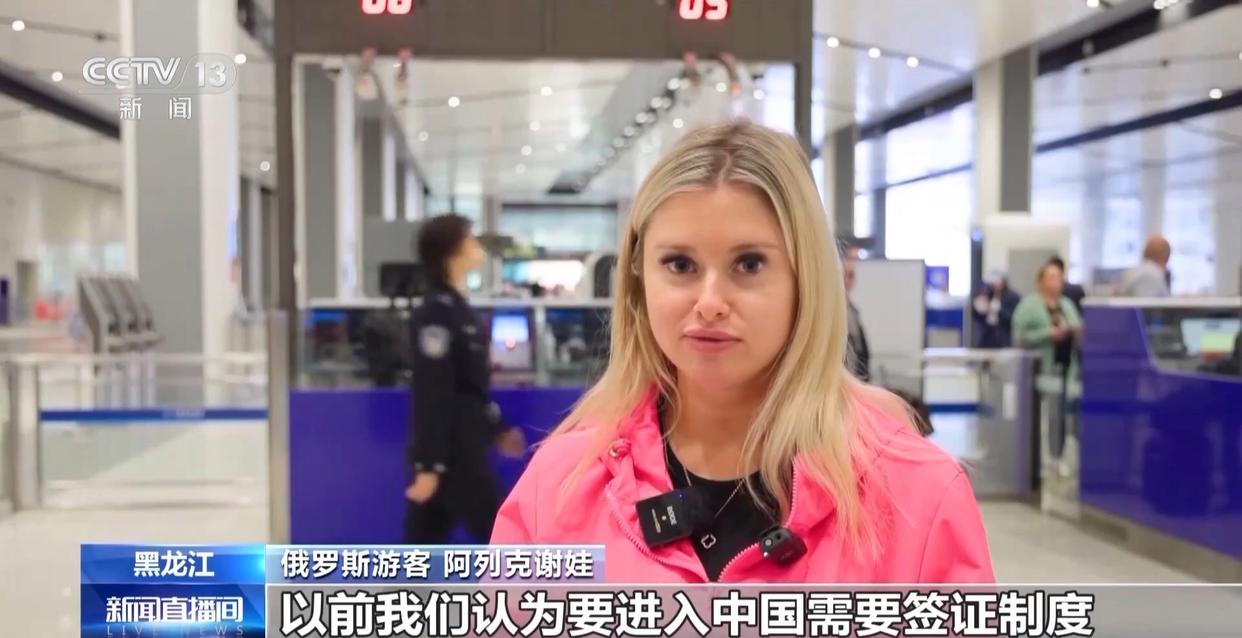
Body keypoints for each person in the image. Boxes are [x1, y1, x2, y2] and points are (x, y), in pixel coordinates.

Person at [491, 122, 993, 583]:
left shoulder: (916, 497)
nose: (710, 302)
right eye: (680, 264)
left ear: (805, 280)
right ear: (640, 280)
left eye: (749, 264)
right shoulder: (559, 487)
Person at [404, 214, 526, 543]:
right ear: (452, 251)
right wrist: (429, 464)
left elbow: (471, 388)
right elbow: (433, 391)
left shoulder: (460, 310)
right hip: (455, 456)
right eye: (469, 240)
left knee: (424, 544)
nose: (477, 247)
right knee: (504, 539)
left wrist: (497, 428)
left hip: (467, 445)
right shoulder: (436, 314)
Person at [1013, 261, 1083, 377]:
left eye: (1059, 277)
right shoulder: (1028, 306)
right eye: (1052, 277)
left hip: (1067, 368)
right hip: (1039, 368)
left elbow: (1077, 327)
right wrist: (1046, 334)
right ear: (1040, 282)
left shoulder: (1067, 304)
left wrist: (1075, 332)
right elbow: (1019, 337)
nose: (1057, 281)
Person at [971, 269, 1020, 349]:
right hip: (987, 339)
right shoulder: (987, 295)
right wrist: (978, 308)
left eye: (997, 282)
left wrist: (998, 310)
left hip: (1005, 340)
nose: (994, 285)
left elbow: (1014, 318)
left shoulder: (1012, 297)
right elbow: (977, 317)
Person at [842, 246, 871, 382]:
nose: (848, 281)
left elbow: (862, 351)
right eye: (846, 275)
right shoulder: (834, 313)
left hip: (856, 379)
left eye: (851, 276)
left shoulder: (853, 310)